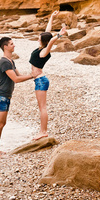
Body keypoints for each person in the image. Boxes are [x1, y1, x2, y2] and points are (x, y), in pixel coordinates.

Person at [0, 37, 38, 158]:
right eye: (11, 44)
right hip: (1, 96)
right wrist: (31, 76)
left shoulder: (11, 61)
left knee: (2, 124)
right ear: (5, 47)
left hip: (5, 96)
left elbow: (20, 76)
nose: (14, 46)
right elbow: (16, 79)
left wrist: (33, 73)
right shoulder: (5, 62)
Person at [29, 10, 67, 140]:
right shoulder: (40, 47)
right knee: (41, 107)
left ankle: (43, 131)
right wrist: (51, 17)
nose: (38, 36)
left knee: (42, 107)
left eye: (40, 36)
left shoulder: (44, 52)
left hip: (41, 80)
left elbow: (50, 41)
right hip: (39, 80)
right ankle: (42, 130)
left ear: (43, 40)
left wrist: (59, 35)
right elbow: (47, 33)